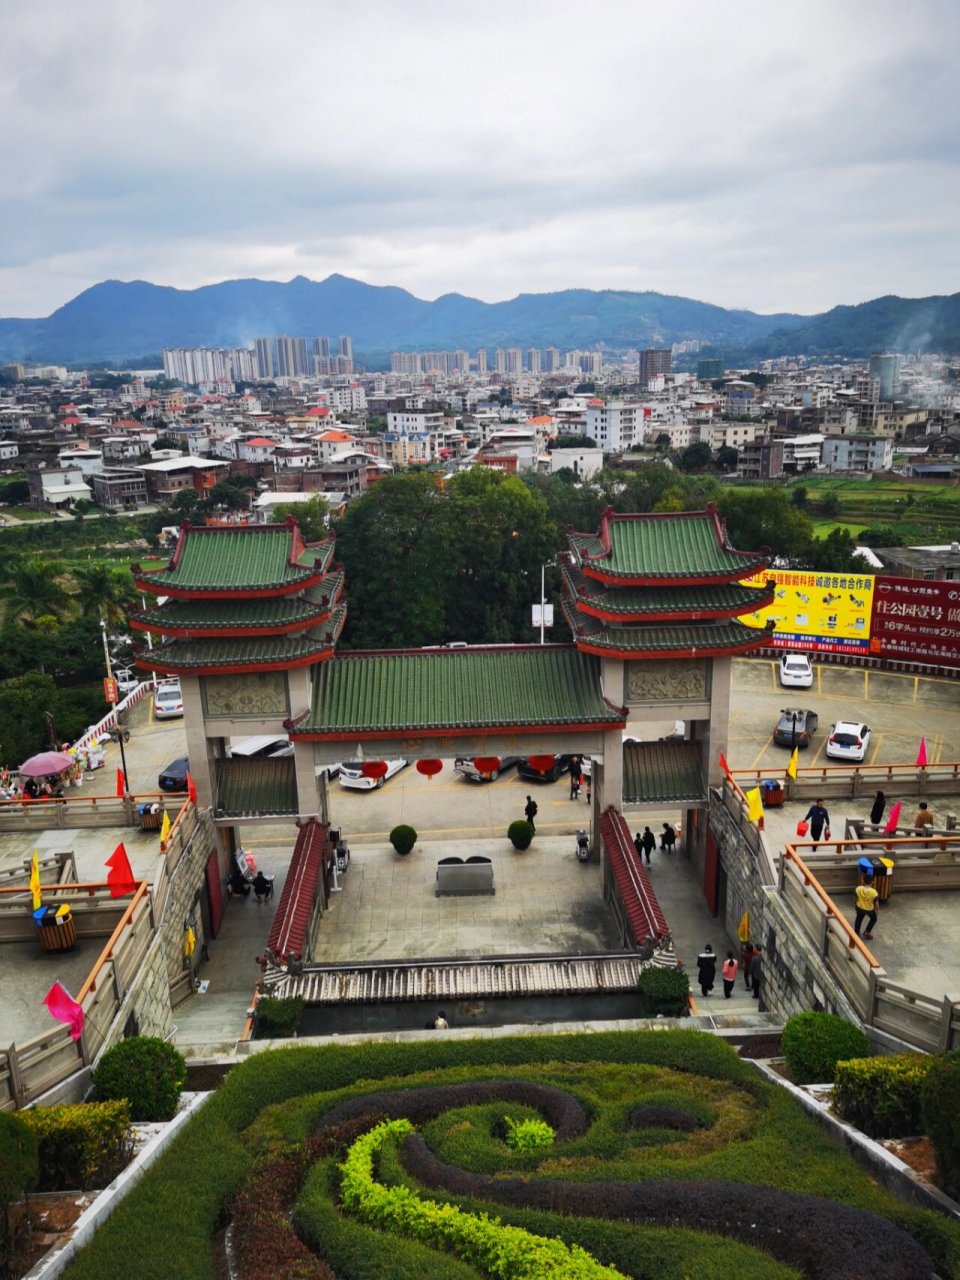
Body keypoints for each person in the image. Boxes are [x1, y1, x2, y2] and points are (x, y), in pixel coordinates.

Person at [854, 873, 879, 940]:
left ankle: (856, 933)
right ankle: (867, 932)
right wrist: (877, 910)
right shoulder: (874, 892)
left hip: (859, 907)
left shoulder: (858, 889)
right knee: (874, 919)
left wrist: (856, 905)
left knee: (858, 920)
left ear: (863, 881)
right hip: (869, 909)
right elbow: (876, 903)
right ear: (872, 882)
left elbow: (856, 898)